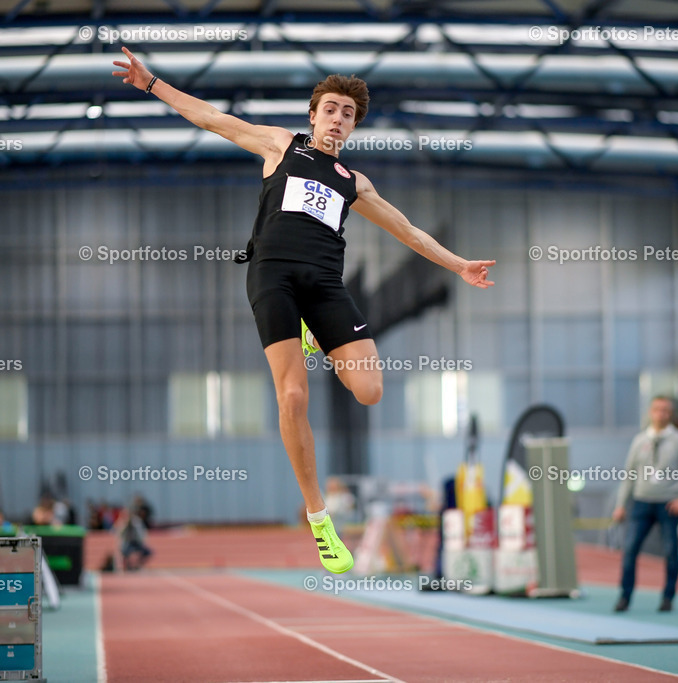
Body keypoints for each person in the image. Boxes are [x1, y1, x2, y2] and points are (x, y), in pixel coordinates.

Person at [112, 49, 495, 574]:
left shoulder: (354, 182)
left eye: (349, 114)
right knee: (293, 393)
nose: (339, 119)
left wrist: (458, 266)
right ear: (313, 114)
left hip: (323, 285)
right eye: (331, 109)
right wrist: (152, 82)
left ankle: (316, 333)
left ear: (354, 127)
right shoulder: (280, 144)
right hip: (272, 276)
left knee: (369, 389)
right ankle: (319, 518)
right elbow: (211, 117)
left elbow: (408, 231)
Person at [612, 395, 678, 612]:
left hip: (669, 503)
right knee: (629, 550)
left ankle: (668, 597)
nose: (661, 414)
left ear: (671, 413)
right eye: (657, 409)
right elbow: (629, 474)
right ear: (650, 412)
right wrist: (621, 504)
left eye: (666, 410)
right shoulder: (639, 441)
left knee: (670, 551)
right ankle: (625, 597)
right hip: (641, 502)